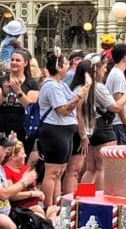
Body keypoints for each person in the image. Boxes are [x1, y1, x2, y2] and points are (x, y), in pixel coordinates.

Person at [35, 52, 87, 210]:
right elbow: (63, 109)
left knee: (60, 171)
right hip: (54, 131)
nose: (67, 67)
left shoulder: (61, 84)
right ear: (58, 67)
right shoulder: (50, 85)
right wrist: (79, 96)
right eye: (65, 64)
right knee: (52, 171)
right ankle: (48, 206)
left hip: (65, 131)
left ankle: (56, 205)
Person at [75, 58, 126, 190]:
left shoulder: (78, 87)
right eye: (103, 66)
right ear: (95, 69)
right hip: (102, 127)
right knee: (103, 167)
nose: (105, 69)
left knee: (90, 168)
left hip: (88, 127)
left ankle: (85, 197)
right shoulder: (98, 87)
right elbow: (115, 107)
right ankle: (99, 199)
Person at [0, 51, 39, 154]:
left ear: (25, 63)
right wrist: (3, 94)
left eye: (17, 60)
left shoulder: (32, 83)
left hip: (22, 127)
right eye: (12, 60)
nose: (14, 62)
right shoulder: (1, 80)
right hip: (1, 125)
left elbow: (31, 107)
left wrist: (19, 92)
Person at [0, 142, 43, 216]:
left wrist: (39, 192)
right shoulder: (5, 171)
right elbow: (11, 196)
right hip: (20, 208)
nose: (25, 156)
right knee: (38, 211)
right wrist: (33, 194)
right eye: (22, 154)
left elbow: (33, 186)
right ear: (14, 157)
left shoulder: (24, 168)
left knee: (53, 209)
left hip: (35, 203)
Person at [104, 45, 126, 146]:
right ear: (124, 57)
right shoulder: (118, 75)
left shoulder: (116, 73)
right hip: (119, 124)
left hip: (118, 123)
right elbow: (119, 106)